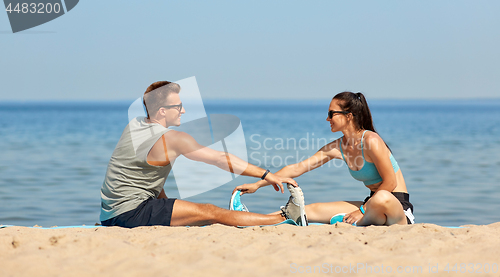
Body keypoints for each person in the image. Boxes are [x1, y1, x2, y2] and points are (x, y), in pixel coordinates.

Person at [100, 81, 306, 228]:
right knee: (211, 212)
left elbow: (145, 176)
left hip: (110, 215)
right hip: (131, 213)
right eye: (178, 106)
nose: (183, 111)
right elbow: (220, 159)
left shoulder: (135, 125)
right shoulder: (173, 139)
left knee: (199, 213)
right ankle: (283, 218)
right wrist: (266, 174)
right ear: (162, 111)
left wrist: (167, 205)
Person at [233, 92, 414, 226]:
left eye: (331, 113)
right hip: (371, 203)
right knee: (309, 210)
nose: (327, 119)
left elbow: (389, 183)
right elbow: (297, 168)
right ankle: (254, 219)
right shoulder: (338, 147)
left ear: (348, 116)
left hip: (396, 207)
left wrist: (361, 210)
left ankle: (358, 220)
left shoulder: (371, 141)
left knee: (381, 196)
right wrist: (258, 184)